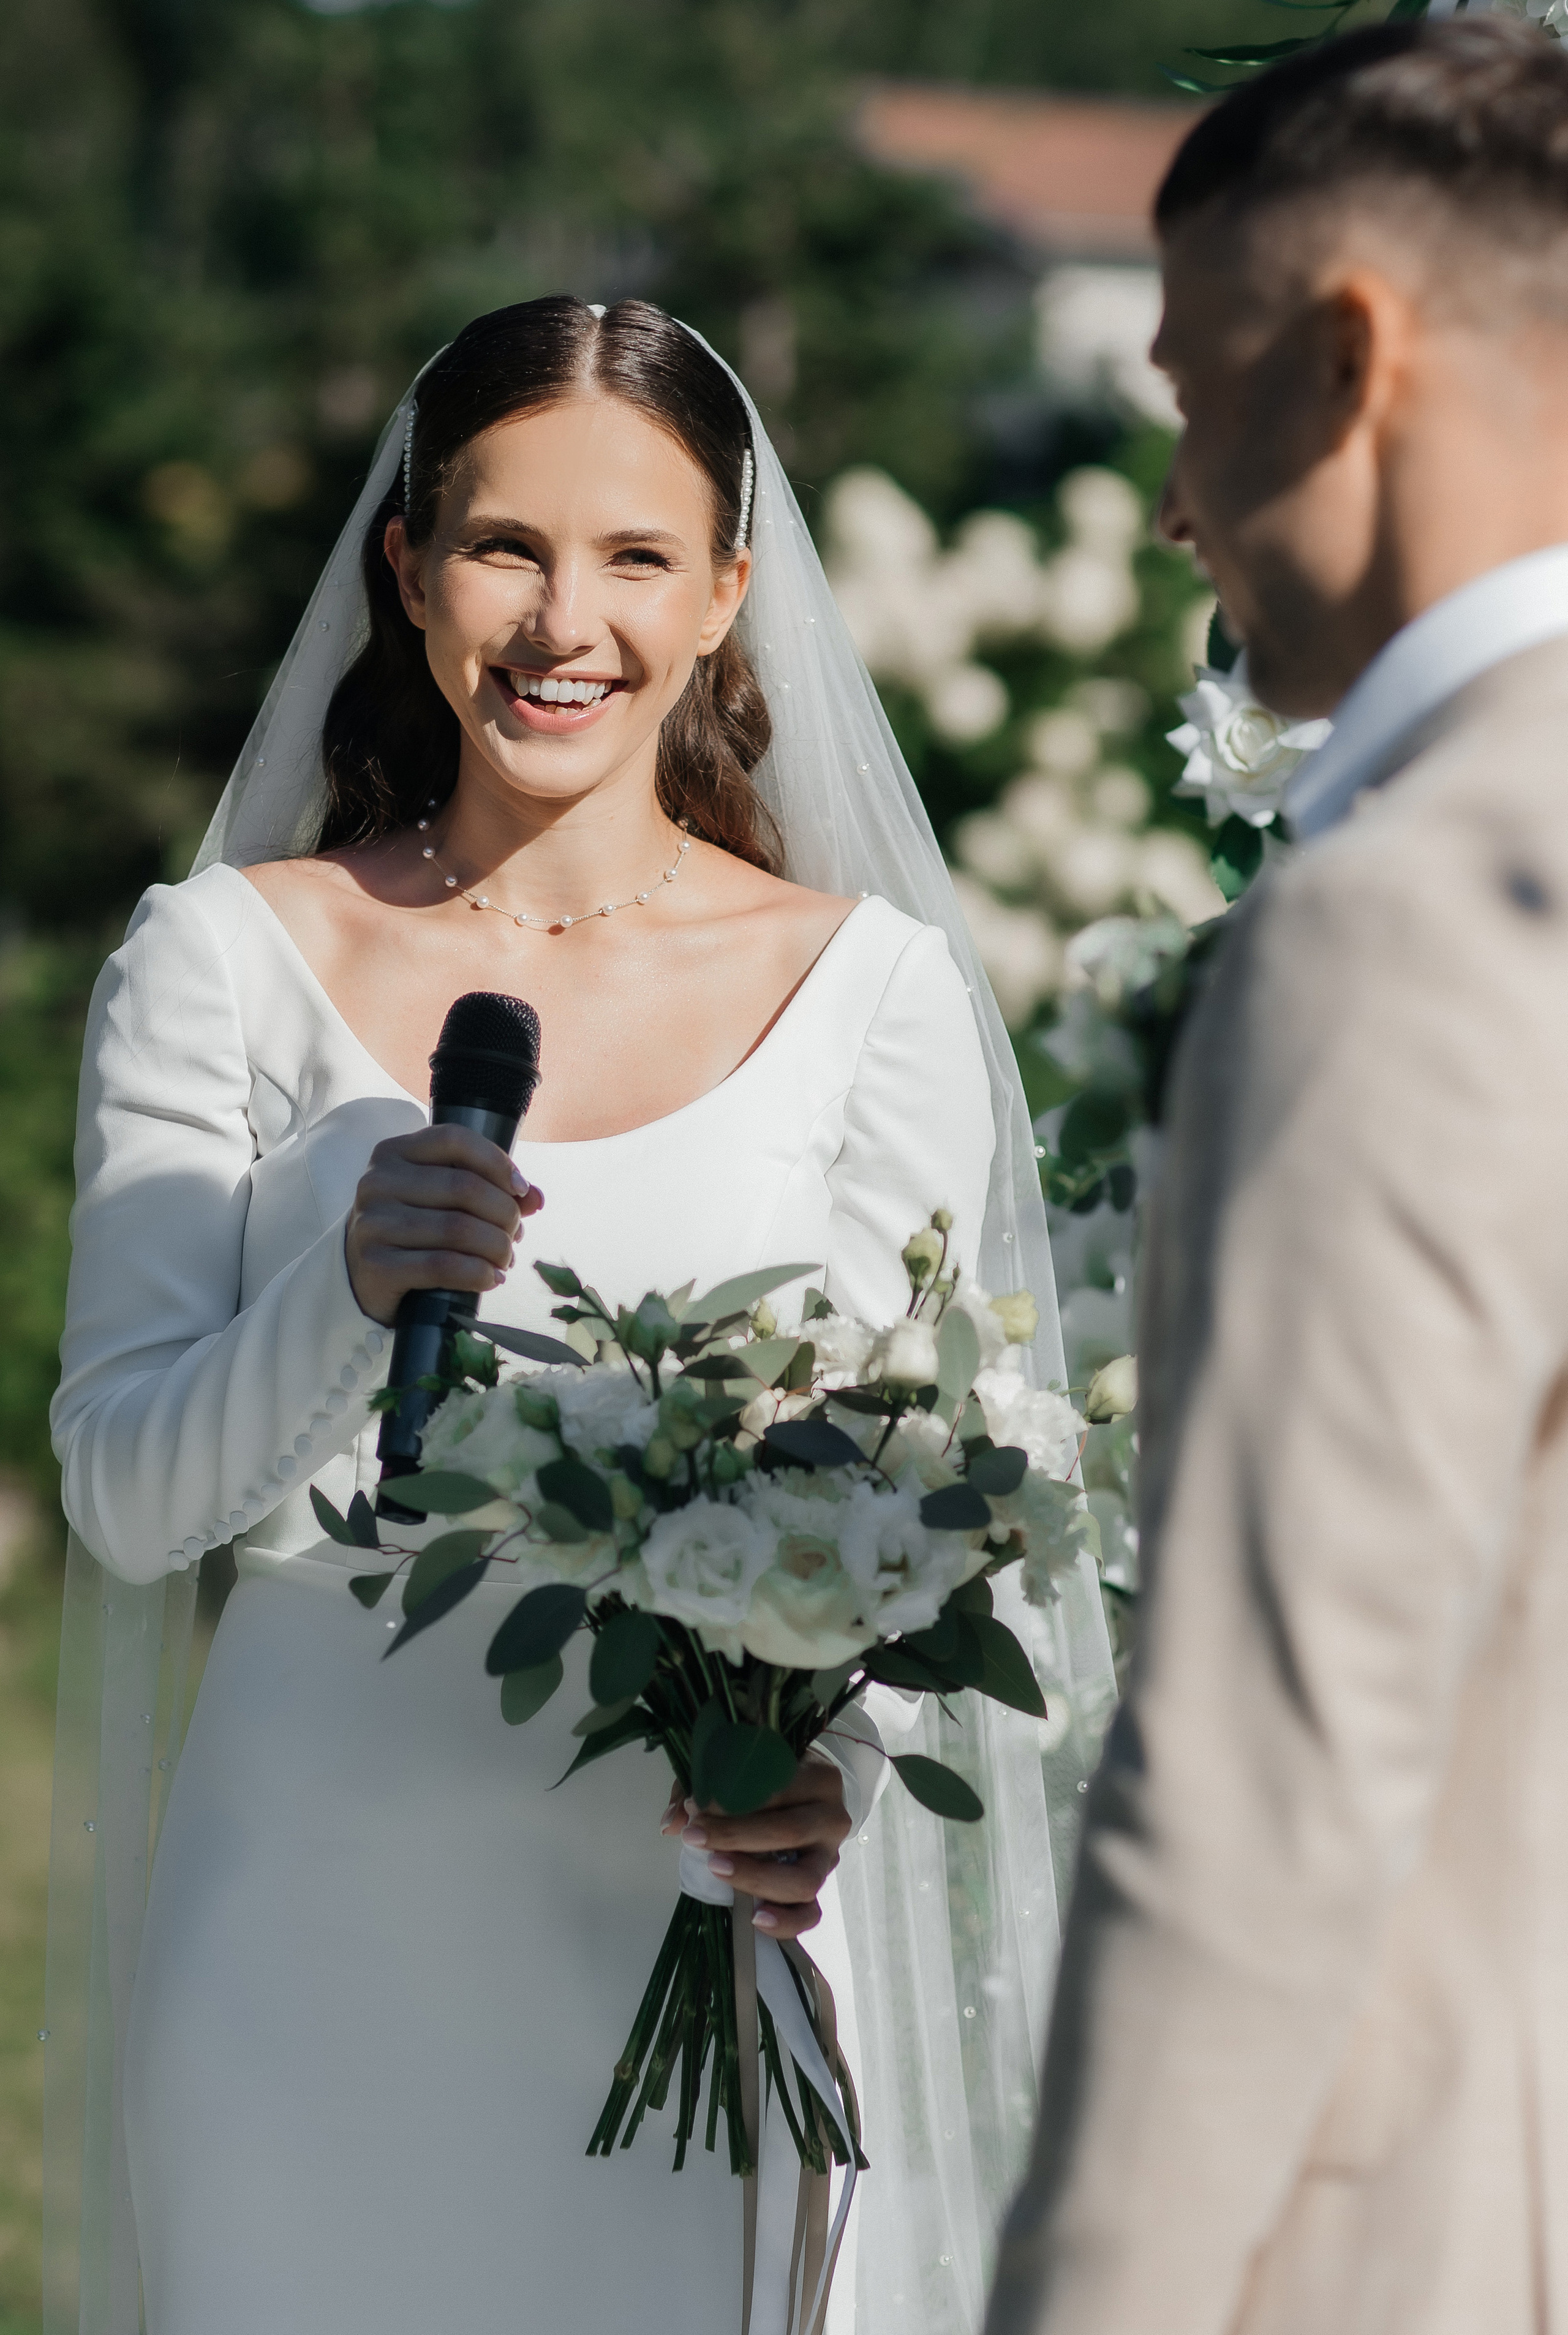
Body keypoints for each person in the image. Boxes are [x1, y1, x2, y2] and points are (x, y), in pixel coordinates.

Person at [45, 297, 1114, 2335]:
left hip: (682, 1921)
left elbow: (902, 1515)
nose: (565, 621)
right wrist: (349, 1292)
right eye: (506, 546)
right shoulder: (221, 964)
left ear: (727, 591)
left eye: (635, 556)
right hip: (307, 1942)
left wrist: (830, 1765)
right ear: (410, 568)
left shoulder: (867, 1002)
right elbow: (121, 1492)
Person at [985, 21, 1568, 2335]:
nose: (1168, 498)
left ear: (1348, 357)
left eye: (1190, 389)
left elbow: (1262, 1795)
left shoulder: (1408, 920)